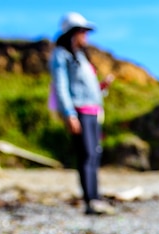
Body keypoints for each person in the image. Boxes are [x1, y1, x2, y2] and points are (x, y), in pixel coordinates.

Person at [51, 12, 115, 215]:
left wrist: (102, 87)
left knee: (94, 154)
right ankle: (90, 200)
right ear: (73, 33)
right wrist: (69, 114)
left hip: (94, 111)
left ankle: (96, 196)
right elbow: (61, 87)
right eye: (83, 32)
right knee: (86, 154)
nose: (86, 37)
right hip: (80, 111)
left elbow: (90, 90)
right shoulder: (61, 55)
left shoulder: (81, 57)